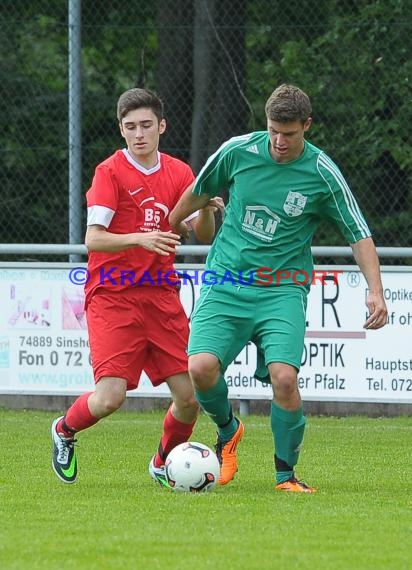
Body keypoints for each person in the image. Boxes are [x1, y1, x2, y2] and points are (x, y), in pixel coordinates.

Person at [169, 84, 388, 492]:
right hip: (226, 282)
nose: (278, 141)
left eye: (288, 133)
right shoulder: (237, 151)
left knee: (284, 378)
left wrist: (375, 290)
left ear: (306, 125)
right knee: (199, 368)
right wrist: (172, 227)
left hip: (282, 291)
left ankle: (286, 476)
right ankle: (228, 430)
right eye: (272, 130)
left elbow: (358, 233)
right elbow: (195, 194)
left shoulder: (322, 173)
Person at [51, 87, 222, 485]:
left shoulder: (180, 174)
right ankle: (64, 430)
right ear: (121, 130)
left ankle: (162, 462)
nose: (139, 134)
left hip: (161, 296)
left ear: (161, 126)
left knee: (189, 397)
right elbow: (94, 239)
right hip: (113, 294)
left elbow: (204, 235)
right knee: (111, 397)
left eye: (146, 125)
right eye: (130, 127)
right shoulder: (109, 172)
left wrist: (210, 210)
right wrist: (137, 239)